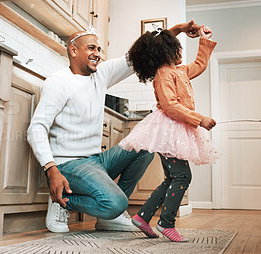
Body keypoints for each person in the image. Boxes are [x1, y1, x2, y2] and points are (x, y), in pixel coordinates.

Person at [27, 20, 203, 233]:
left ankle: (109, 216)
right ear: (73, 50)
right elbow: (36, 128)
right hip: (69, 165)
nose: (97, 53)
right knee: (117, 203)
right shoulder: (58, 82)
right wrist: (51, 169)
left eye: (98, 49)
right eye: (91, 48)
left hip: (96, 161)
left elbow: (140, 53)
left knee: (144, 146)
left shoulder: (100, 74)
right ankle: (63, 202)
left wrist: (179, 30)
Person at [119, 25, 220, 242]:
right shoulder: (163, 74)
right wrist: (199, 119)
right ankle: (166, 223)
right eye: (177, 49)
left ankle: (143, 217)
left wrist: (204, 40)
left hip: (176, 130)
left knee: (173, 177)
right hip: (168, 131)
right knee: (183, 176)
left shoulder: (180, 71)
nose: (181, 52)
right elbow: (170, 106)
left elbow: (200, 64)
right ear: (164, 52)